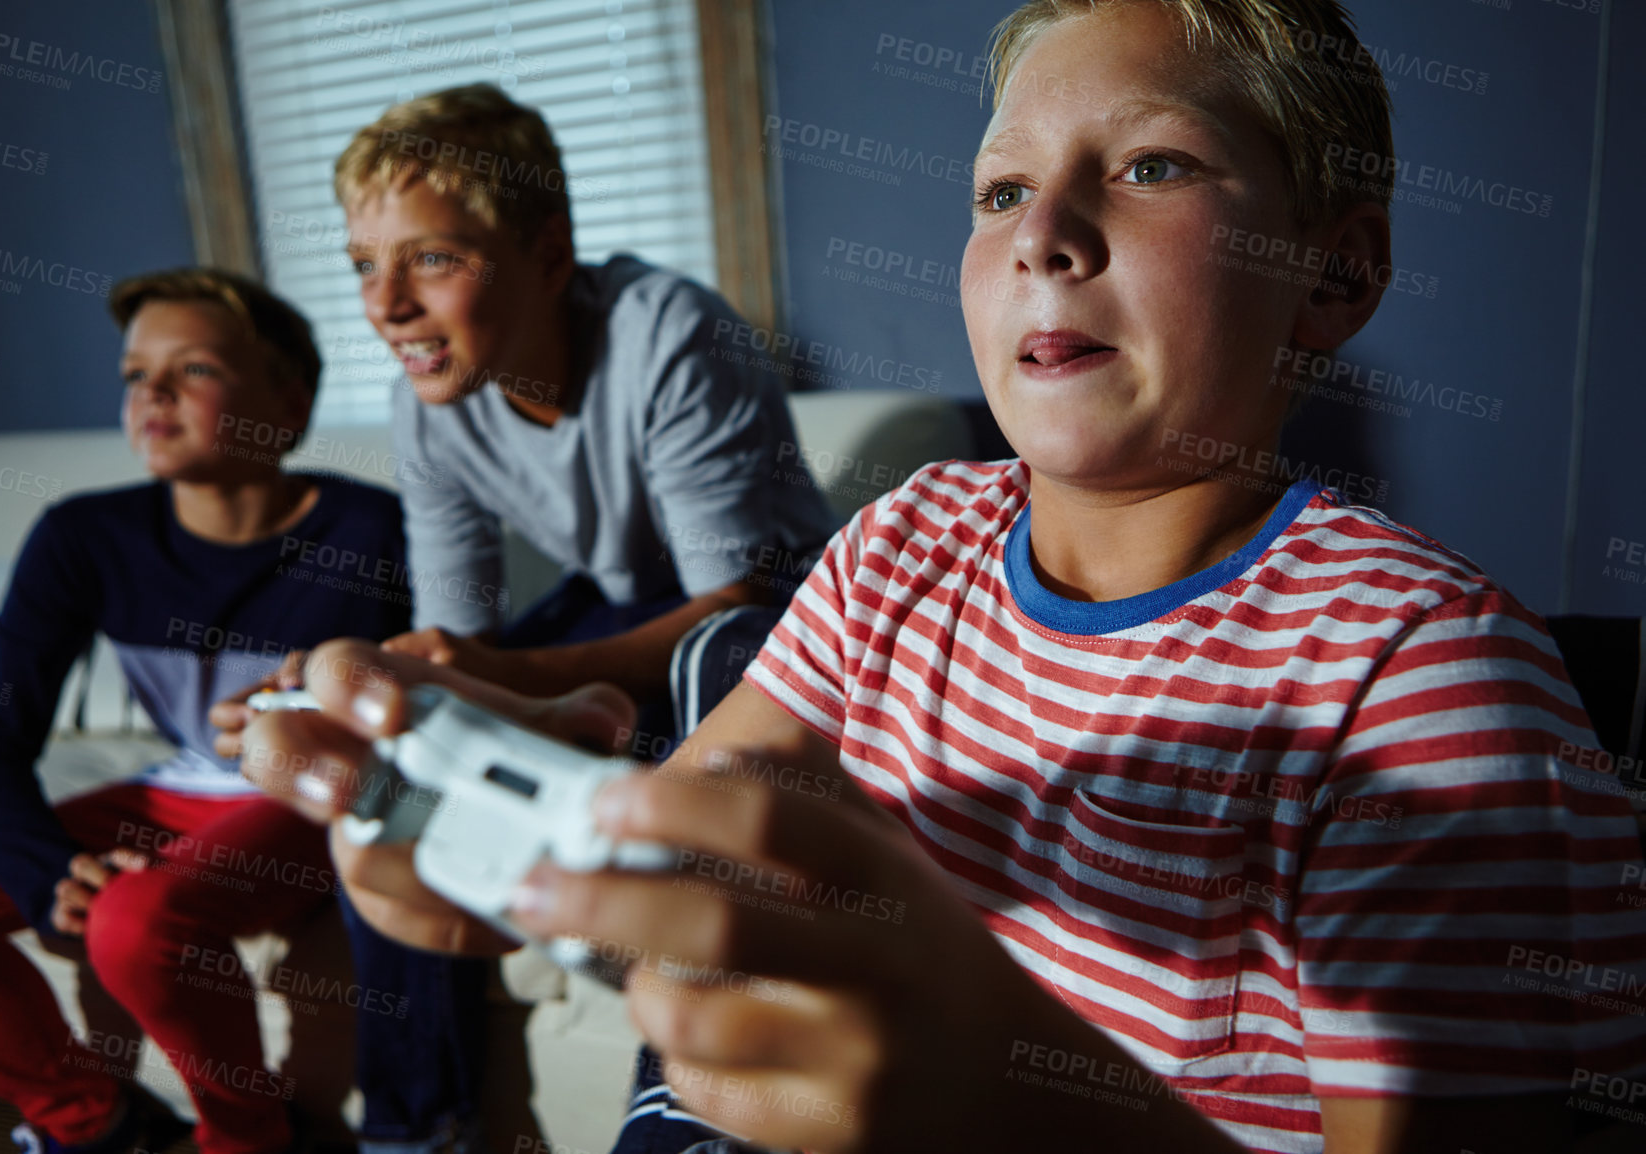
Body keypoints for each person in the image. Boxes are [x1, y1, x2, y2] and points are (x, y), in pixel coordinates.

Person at [239, 1, 1646, 1150]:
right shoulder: (907, 539)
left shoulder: (1424, 683)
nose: (1045, 230)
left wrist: (1014, 1096)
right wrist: (507, 819)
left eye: (1150, 164)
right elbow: (715, 819)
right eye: (1001, 189)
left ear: (1333, 275)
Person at [213, 84, 838, 1154]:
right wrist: (373, 686)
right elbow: (457, 628)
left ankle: (685, 1100)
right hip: (617, 593)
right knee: (398, 738)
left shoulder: (668, 330)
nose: (388, 304)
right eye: (367, 264)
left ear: (548, 256)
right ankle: (423, 1129)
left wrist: (509, 673)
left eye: (434, 259)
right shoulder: (429, 399)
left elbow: (733, 601)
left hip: (771, 606)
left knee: (686, 696)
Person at [0, 270, 411, 1154]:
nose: (152, 393)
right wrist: (44, 868)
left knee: (135, 921)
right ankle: (97, 1127)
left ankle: (249, 1138)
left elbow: (414, 718)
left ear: (286, 403)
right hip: (181, 788)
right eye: (135, 375)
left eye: (193, 370)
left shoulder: (368, 530)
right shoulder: (83, 535)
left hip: (304, 798)